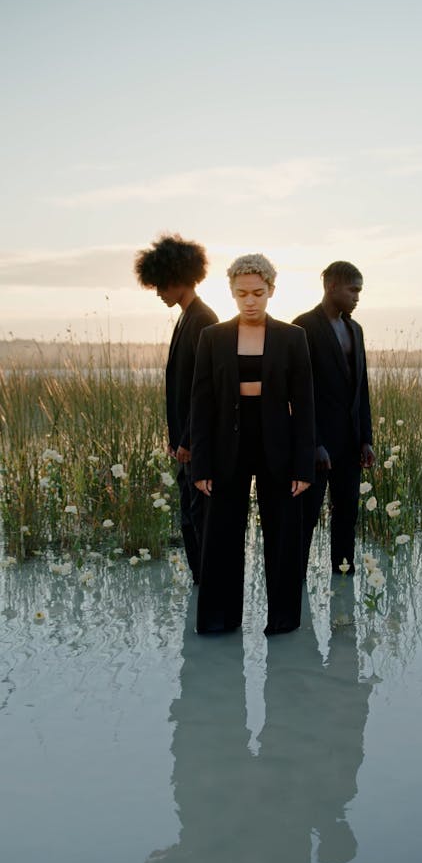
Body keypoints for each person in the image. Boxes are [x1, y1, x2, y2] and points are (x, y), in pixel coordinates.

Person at [190, 254, 315, 635]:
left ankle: (282, 622)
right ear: (231, 292)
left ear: (271, 291)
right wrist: (201, 466)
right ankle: (218, 622)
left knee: (282, 538)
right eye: (242, 293)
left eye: (258, 293)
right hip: (227, 445)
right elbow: (201, 404)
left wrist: (303, 467)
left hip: (277, 444)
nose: (250, 301)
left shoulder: (294, 338)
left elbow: (305, 406)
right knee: (222, 536)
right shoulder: (211, 337)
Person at [134, 232, 218, 584]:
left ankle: (209, 586)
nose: (157, 292)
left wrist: (187, 439)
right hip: (186, 443)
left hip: (198, 444)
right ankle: (201, 587)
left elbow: (206, 392)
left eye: (160, 285)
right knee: (189, 517)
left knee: (198, 518)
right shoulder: (186, 317)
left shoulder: (202, 319)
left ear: (177, 277)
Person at [293, 261, 375, 576]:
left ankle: (343, 585)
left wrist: (366, 438)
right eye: (353, 290)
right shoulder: (302, 327)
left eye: (359, 291)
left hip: (351, 445)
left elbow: (361, 388)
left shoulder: (355, 329)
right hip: (316, 447)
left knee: (346, 518)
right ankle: (295, 584)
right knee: (306, 518)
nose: (357, 297)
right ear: (332, 287)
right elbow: (298, 394)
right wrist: (313, 442)